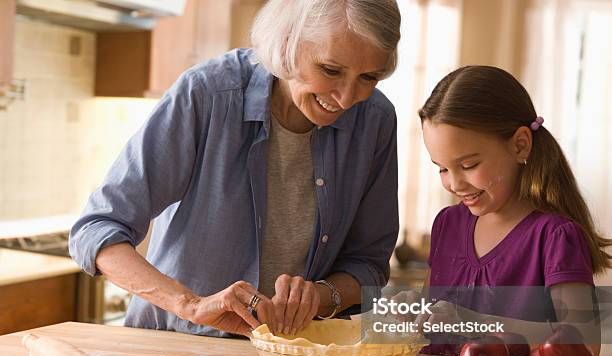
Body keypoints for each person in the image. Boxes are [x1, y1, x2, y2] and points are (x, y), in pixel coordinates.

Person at [69, 0, 401, 338]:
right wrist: (192, 305)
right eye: (331, 70)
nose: (346, 98)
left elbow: (369, 264)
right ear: (287, 45)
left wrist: (321, 296)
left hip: (295, 355)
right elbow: (96, 229)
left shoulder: (375, 121)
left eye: (368, 77)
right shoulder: (208, 93)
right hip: (178, 346)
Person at [415, 65, 611, 356]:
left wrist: (472, 322)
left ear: (520, 145)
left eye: (468, 165)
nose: (454, 184)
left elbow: (582, 343)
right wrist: (407, 310)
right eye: (442, 168)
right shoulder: (447, 223)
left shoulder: (556, 236)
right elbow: (431, 319)